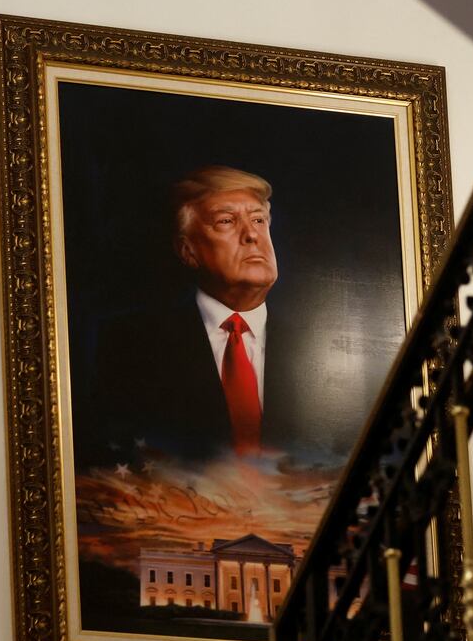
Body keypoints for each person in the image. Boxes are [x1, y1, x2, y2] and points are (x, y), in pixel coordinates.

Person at [86, 166, 312, 465]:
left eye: (259, 219)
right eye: (226, 221)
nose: (252, 235)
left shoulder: (314, 347)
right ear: (188, 250)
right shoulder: (131, 343)